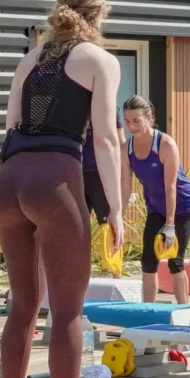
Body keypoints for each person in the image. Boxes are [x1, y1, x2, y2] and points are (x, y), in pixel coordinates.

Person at [0, 0, 121, 378]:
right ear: (99, 13)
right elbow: (105, 138)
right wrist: (116, 209)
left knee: (22, 304)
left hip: (8, 182)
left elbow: (10, 127)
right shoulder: (99, 60)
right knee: (67, 308)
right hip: (54, 181)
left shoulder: (30, 59)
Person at [121, 95, 190, 303]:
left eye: (136, 120)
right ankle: (148, 313)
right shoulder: (126, 149)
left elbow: (171, 187)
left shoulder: (165, 144)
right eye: (127, 121)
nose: (131, 126)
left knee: (175, 261)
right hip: (155, 207)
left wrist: (170, 225)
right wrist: (116, 216)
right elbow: (125, 189)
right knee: (148, 261)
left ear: (149, 117)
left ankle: (184, 313)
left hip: (181, 206)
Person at [82, 110, 127, 277]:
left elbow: (120, 141)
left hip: (103, 175)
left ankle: (116, 274)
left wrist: (123, 173)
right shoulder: (74, 100)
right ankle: (77, 273)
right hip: (76, 173)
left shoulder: (109, 107)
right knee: (77, 226)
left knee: (109, 222)